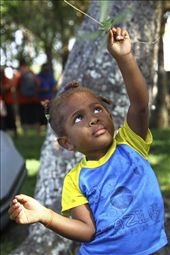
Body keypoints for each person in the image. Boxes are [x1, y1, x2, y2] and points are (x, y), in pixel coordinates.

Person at [8, 27, 167, 254]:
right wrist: (45, 215)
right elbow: (87, 231)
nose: (93, 118)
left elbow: (140, 105)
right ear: (67, 143)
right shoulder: (75, 180)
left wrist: (124, 57)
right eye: (79, 118)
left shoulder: (129, 145)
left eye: (97, 109)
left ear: (110, 115)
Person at [0, 66, 18, 137]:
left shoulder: (7, 80)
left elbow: (6, 88)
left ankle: (15, 132)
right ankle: (3, 132)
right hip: (2, 103)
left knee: (11, 117)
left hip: (8, 103)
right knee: (2, 119)